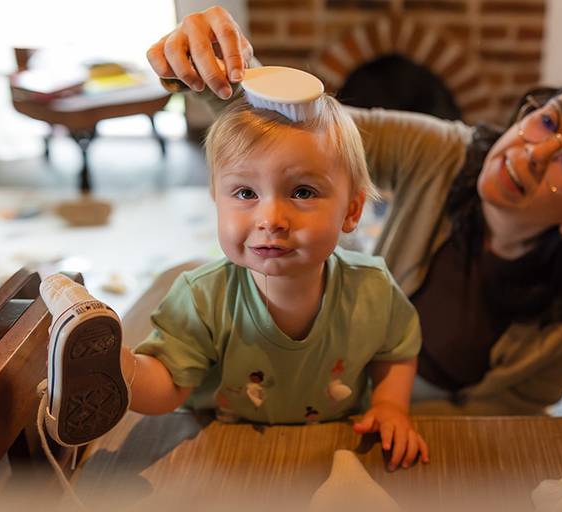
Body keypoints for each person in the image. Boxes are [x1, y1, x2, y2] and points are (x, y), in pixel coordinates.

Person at [145, 6, 562, 415]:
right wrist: (218, 67)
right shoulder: (443, 151)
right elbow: (310, 138)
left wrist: (387, 418)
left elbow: (493, 425)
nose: (533, 151)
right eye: (548, 120)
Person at [42, 80, 429, 471]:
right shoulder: (202, 297)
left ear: (352, 210)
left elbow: (396, 351)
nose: (271, 220)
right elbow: (169, 386)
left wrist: (390, 406)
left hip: (335, 442)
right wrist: (120, 368)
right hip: (223, 447)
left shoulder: (372, 288)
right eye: (245, 193)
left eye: (302, 192)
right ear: (216, 199)